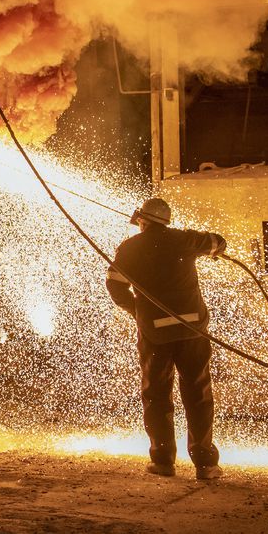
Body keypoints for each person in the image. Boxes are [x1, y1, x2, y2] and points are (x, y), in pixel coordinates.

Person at [106, 197, 226, 481]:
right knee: (197, 394)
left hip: (155, 333)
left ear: (142, 222)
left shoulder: (129, 248)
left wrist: (137, 311)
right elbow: (217, 241)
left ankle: (162, 461)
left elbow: (114, 285)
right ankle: (205, 463)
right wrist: (213, 248)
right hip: (192, 330)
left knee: (157, 395)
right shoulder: (184, 240)